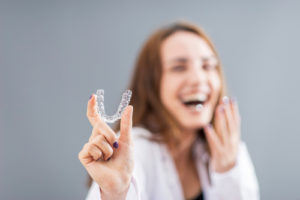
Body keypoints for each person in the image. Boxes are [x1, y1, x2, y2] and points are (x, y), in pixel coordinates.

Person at [78, 21, 259, 200]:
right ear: (152, 84)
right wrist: (115, 194)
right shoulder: (135, 151)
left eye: (208, 66)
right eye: (179, 67)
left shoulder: (226, 150)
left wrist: (228, 172)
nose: (198, 79)